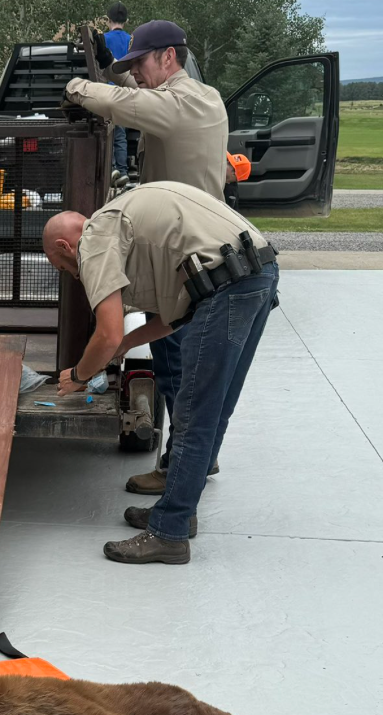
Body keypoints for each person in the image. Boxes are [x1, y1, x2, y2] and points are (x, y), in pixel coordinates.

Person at [42, 184, 279, 566]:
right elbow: (172, 318)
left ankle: (168, 534)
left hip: (228, 287)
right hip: (256, 273)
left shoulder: (96, 236)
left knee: (194, 416)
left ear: (64, 247)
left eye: (64, 269)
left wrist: (80, 374)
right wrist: (122, 347)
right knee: (213, 411)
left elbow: (107, 331)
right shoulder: (132, 227)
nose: (73, 276)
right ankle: (179, 513)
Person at [64, 20, 230, 497]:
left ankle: (183, 463)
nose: (135, 73)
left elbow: (126, 102)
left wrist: (77, 86)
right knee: (178, 359)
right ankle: (198, 454)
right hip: (188, 247)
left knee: (179, 366)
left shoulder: (186, 102)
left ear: (168, 57)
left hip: (189, 257)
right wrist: (114, 66)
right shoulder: (195, 97)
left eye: (140, 63)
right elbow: (134, 90)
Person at [103, 4, 131, 180]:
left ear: (108, 21)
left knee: (107, 134)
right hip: (126, 91)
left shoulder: (103, 40)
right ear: (126, 21)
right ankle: (123, 171)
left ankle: (110, 169)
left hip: (107, 92)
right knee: (121, 135)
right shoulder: (131, 40)